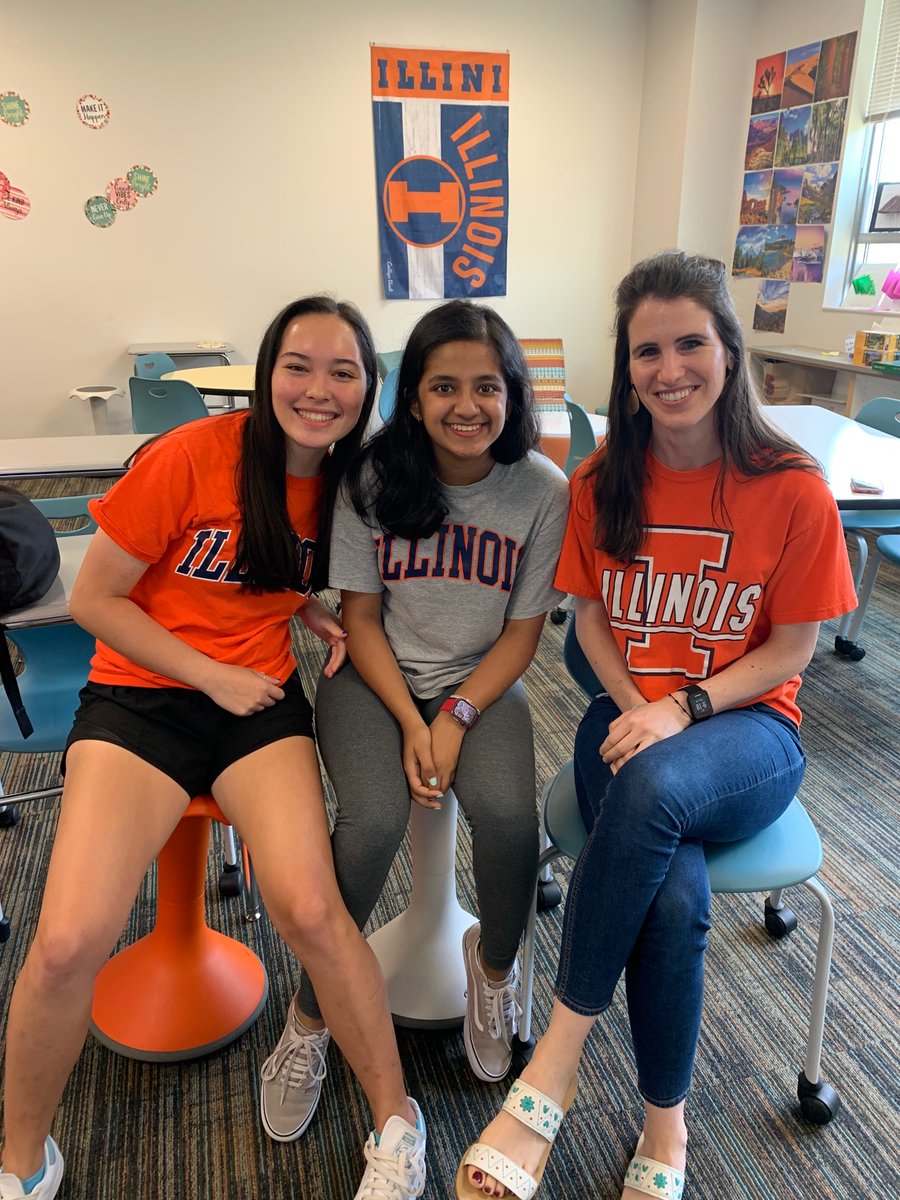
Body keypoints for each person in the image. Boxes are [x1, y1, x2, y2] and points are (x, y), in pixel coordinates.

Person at [0, 297, 427, 1200]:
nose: (318, 390)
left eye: (342, 372)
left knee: (311, 913)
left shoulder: (352, 481)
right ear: (268, 371)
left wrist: (303, 610)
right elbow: (96, 601)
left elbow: (268, 570)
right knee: (71, 937)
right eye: (299, 366)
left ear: (367, 388)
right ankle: (20, 1160)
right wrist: (209, 672)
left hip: (256, 708)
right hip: (143, 700)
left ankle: (398, 1122)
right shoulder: (190, 456)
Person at [456, 250, 856, 1200]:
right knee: (671, 900)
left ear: (728, 350)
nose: (669, 369)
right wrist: (641, 703)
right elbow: (588, 620)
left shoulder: (791, 488)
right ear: (625, 366)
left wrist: (682, 706)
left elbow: (793, 652)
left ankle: (549, 1069)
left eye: (690, 344)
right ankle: (665, 1128)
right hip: (627, 719)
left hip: (748, 731)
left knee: (656, 784)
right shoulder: (601, 481)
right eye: (647, 351)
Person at [259, 299, 569, 1146]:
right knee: (369, 828)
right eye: (443, 387)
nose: (466, 406)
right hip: (374, 680)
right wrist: (410, 720)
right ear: (414, 396)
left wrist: (458, 715)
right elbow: (359, 622)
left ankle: (493, 973)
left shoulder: (541, 490)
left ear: (513, 393)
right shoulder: (371, 478)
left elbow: (521, 634)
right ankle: (310, 1015)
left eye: (486, 386)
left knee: (509, 821)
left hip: (482, 683)